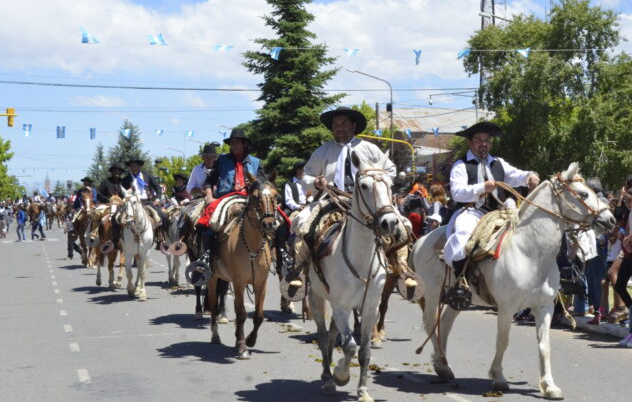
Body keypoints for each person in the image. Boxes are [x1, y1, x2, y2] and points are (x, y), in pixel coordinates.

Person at [285, 106, 415, 292]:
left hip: (366, 202)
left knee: (402, 225)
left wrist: (377, 178)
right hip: (331, 200)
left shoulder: (369, 148)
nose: (339, 127)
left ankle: (402, 267)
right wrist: (316, 182)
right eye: (335, 124)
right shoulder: (323, 151)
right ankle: (298, 269)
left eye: (344, 123)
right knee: (303, 224)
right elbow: (305, 176)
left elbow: (391, 170)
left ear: (353, 125)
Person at [444, 121, 539, 281]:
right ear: (469, 142)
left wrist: (530, 175)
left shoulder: (498, 163)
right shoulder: (461, 165)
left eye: (487, 140)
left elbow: (517, 175)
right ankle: (460, 281)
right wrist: (481, 188)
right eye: (479, 140)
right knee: (462, 237)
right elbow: (457, 193)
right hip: (472, 213)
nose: (483, 144)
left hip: (499, 213)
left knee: (529, 233)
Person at [192, 129, 265, 279]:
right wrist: (210, 196)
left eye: (237, 142)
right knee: (209, 221)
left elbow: (263, 185)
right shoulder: (222, 160)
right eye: (232, 142)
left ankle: (282, 260)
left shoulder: (256, 163)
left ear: (244, 144)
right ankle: (206, 258)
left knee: (277, 221)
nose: (234, 145)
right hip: (226, 198)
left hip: (249, 199)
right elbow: (209, 182)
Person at [120, 158, 167, 247]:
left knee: (163, 216)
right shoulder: (126, 179)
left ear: (140, 166)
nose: (134, 168)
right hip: (131, 203)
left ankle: (161, 238)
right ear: (130, 168)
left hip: (146, 202)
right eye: (132, 166)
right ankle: (116, 239)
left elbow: (158, 188)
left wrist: (157, 199)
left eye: (136, 166)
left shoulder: (147, 176)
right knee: (116, 217)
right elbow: (122, 192)